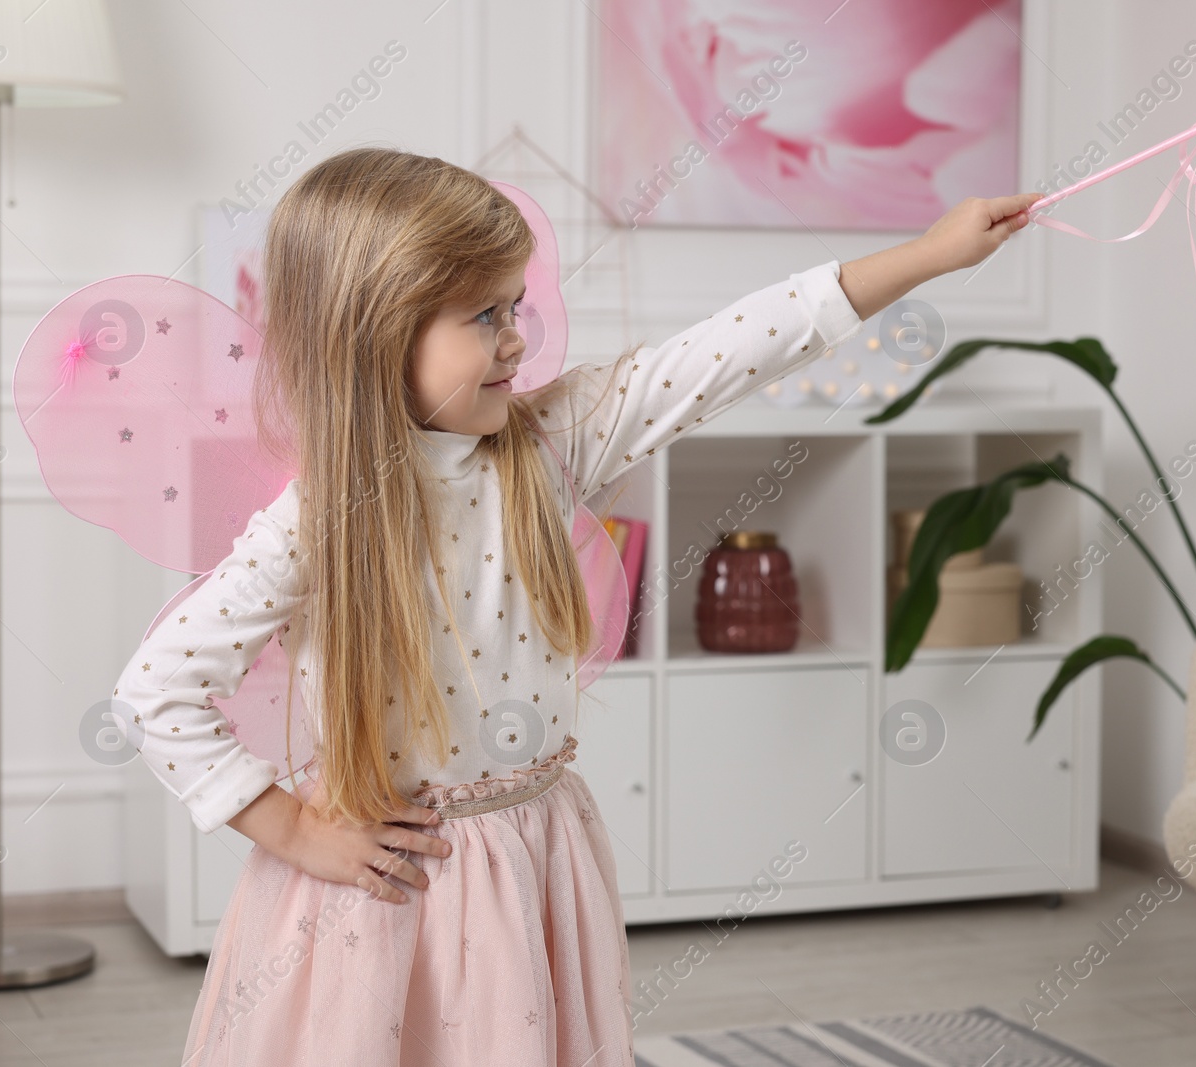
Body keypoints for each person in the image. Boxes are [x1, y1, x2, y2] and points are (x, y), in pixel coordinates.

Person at [111, 145, 1040, 1065]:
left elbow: (735, 348)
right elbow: (156, 689)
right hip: (396, 879)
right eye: (485, 315)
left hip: (535, 851)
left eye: (513, 306)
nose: (518, 336)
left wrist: (930, 254)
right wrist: (294, 830)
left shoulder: (552, 439)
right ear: (379, 333)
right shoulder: (315, 520)